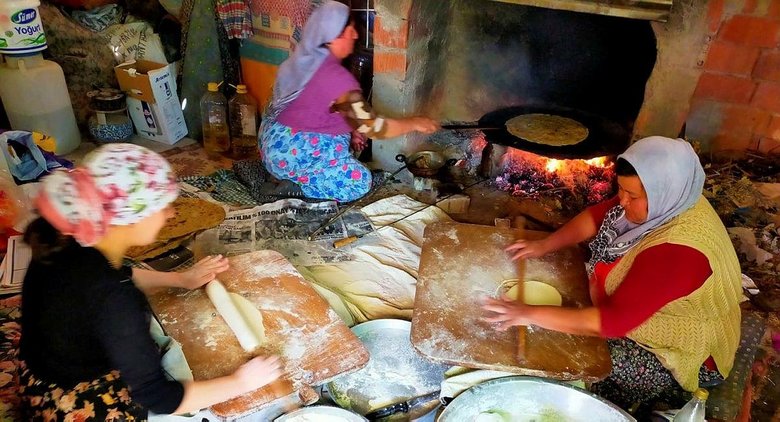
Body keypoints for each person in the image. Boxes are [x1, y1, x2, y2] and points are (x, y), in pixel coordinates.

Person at [19, 144, 281, 420]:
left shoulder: (68, 238)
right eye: (163, 206)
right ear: (131, 220)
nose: (170, 214)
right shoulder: (116, 300)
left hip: (37, 363)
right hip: (67, 394)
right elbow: (159, 397)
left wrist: (181, 279)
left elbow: (114, 280)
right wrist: (241, 383)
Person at [482, 136, 742, 410]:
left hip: (682, 352)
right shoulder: (668, 197)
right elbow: (598, 216)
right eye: (621, 189)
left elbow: (614, 323)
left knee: (573, 359)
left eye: (632, 196)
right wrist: (545, 244)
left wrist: (525, 313)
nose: (622, 200)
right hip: (635, 307)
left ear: (662, 192)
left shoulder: (678, 252)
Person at [259, 0, 440, 202]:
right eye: (350, 30)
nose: (355, 35)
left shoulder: (303, 61)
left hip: (272, 147)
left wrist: (353, 129)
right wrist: (415, 123)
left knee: (343, 145)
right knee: (360, 181)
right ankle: (297, 187)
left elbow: (317, 107)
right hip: (292, 155)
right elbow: (376, 128)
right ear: (332, 38)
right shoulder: (336, 77)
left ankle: (285, 174)